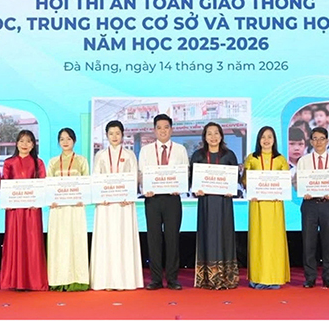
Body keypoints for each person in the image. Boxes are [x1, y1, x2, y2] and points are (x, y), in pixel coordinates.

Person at [90, 121, 143, 291]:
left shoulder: (129, 154)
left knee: (123, 239)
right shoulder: (100, 155)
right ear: (106, 135)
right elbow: (96, 178)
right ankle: (105, 280)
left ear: (122, 135)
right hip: (105, 205)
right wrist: (101, 196)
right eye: (111, 133)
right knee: (106, 240)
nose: (114, 136)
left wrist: (129, 195)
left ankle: (124, 280)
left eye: (117, 133)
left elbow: (134, 178)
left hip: (124, 204)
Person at [138, 114, 189, 290]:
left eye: (166, 127)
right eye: (159, 128)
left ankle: (173, 278)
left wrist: (180, 185)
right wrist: (145, 187)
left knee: (172, 239)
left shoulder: (180, 149)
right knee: (154, 240)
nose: (162, 131)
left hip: (172, 199)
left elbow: (185, 172)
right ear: (154, 130)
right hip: (152, 199)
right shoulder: (146, 150)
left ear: (171, 129)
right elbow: (141, 174)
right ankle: (156, 279)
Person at [190, 122, 239, 290]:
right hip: (206, 203)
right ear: (204, 137)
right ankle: (206, 278)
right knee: (207, 235)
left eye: (216, 133)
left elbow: (235, 179)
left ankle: (227, 278)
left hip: (224, 203)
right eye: (209, 133)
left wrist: (231, 189)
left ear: (221, 135)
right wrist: (196, 189)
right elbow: (192, 179)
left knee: (225, 235)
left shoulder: (229, 155)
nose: (213, 137)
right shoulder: (198, 155)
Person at [0, 130, 48, 291]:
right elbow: (5, 183)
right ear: (16, 143)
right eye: (21, 141)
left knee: (32, 243)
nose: (25, 144)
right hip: (14, 210)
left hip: (32, 209)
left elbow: (43, 184)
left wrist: (38, 200)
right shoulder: (9, 162)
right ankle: (14, 280)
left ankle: (33, 280)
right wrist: (7, 200)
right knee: (14, 241)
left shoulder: (38, 163)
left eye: (28, 141)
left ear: (33, 145)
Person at [243, 126, 290, 289]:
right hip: (257, 205)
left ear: (274, 140)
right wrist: (250, 186)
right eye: (263, 137)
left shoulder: (281, 159)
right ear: (258, 140)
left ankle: (275, 277)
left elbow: (285, 182)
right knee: (258, 240)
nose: (266, 140)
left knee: (274, 241)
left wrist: (280, 190)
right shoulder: (252, 158)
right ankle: (257, 278)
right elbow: (245, 180)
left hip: (275, 206)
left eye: (270, 136)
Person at [296, 127, 329, 289]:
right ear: (311, 141)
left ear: (327, 141)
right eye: (315, 138)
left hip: (328, 205)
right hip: (310, 205)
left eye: (322, 138)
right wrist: (303, 192)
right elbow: (298, 183)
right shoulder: (303, 161)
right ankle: (310, 278)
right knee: (309, 243)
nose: (318, 142)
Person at [47, 128, 90, 291]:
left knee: (76, 241)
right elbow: (48, 184)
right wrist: (51, 200)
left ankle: (77, 279)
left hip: (76, 208)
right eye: (62, 139)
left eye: (68, 139)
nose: (65, 142)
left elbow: (87, 184)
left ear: (74, 141)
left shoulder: (82, 160)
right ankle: (58, 279)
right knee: (59, 243)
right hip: (58, 209)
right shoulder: (53, 162)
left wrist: (83, 198)